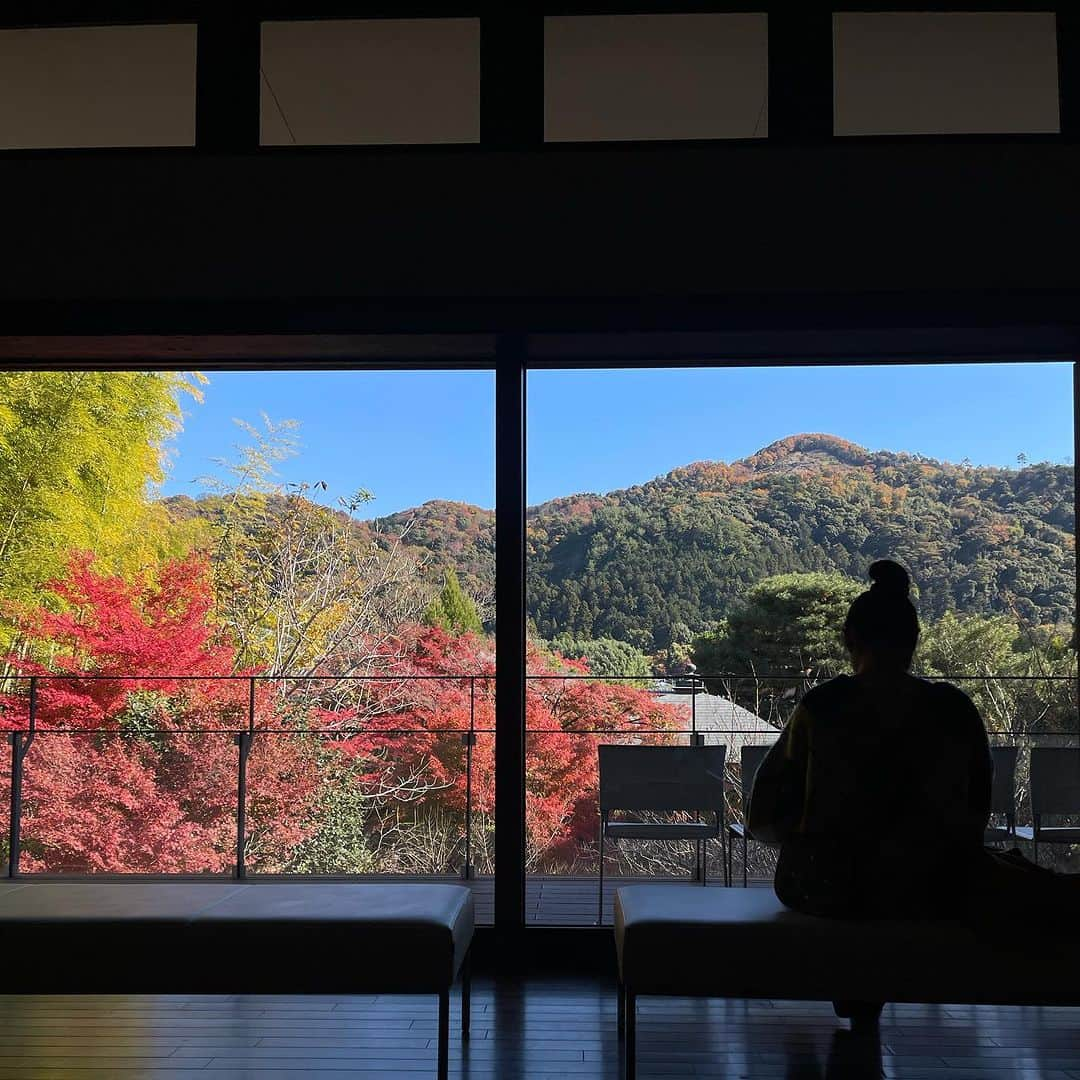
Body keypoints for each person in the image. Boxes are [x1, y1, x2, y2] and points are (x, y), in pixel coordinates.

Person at [748, 558, 1078, 928]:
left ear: (849, 639)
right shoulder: (952, 708)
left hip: (824, 886)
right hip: (934, 886)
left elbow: (763, 817)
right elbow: (974, 812)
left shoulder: (823, 705)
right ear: (914, 640)